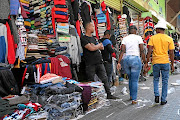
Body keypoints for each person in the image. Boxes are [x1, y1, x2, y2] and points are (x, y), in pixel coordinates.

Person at [81, 22, 118, 99]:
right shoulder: (84, 38)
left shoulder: (94, 38)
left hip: (99, 62)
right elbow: (91, 48)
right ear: (88, 27)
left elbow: (102, 47)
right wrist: (96, 46)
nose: (94, 28)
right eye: (93, 26)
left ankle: (109, 94)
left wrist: (95, 46)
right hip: (90, 63)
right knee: (91, 81)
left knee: (104, 78)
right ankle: (92, 97)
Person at [145, 21, 175, 105]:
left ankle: (157, 95)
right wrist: (172, 64)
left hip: (156, 62)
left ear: (157, 29)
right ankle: (163, 99)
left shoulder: (153, 38)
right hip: (165, 62)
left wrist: (146, 62)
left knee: (156, 79)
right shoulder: (169, 39)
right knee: (165, 81)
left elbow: (149, 51)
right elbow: (171, 52)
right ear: (164, 29)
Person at [117, 25, 146, 104]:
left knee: (130, 78)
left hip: (126, 59)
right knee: (135, 80)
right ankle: (134, 99)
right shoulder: (138, 38)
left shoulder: (125, 38)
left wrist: (119, 62)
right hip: (135, 59)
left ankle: (131, 95)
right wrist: (145, 61)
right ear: (136, 31)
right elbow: (142, 50)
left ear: (129, 31)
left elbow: (122, 51)